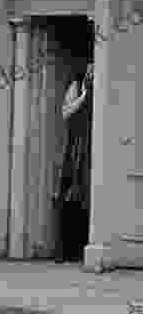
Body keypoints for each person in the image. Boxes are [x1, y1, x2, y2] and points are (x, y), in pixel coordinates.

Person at [54, 63, 93, 263]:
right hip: (76, 145)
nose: (91, 72)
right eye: (89, 69)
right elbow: (66, 112)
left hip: (93, 145)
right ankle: (68, 249)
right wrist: (85, 96)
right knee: (71, 194)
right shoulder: (77, 85)